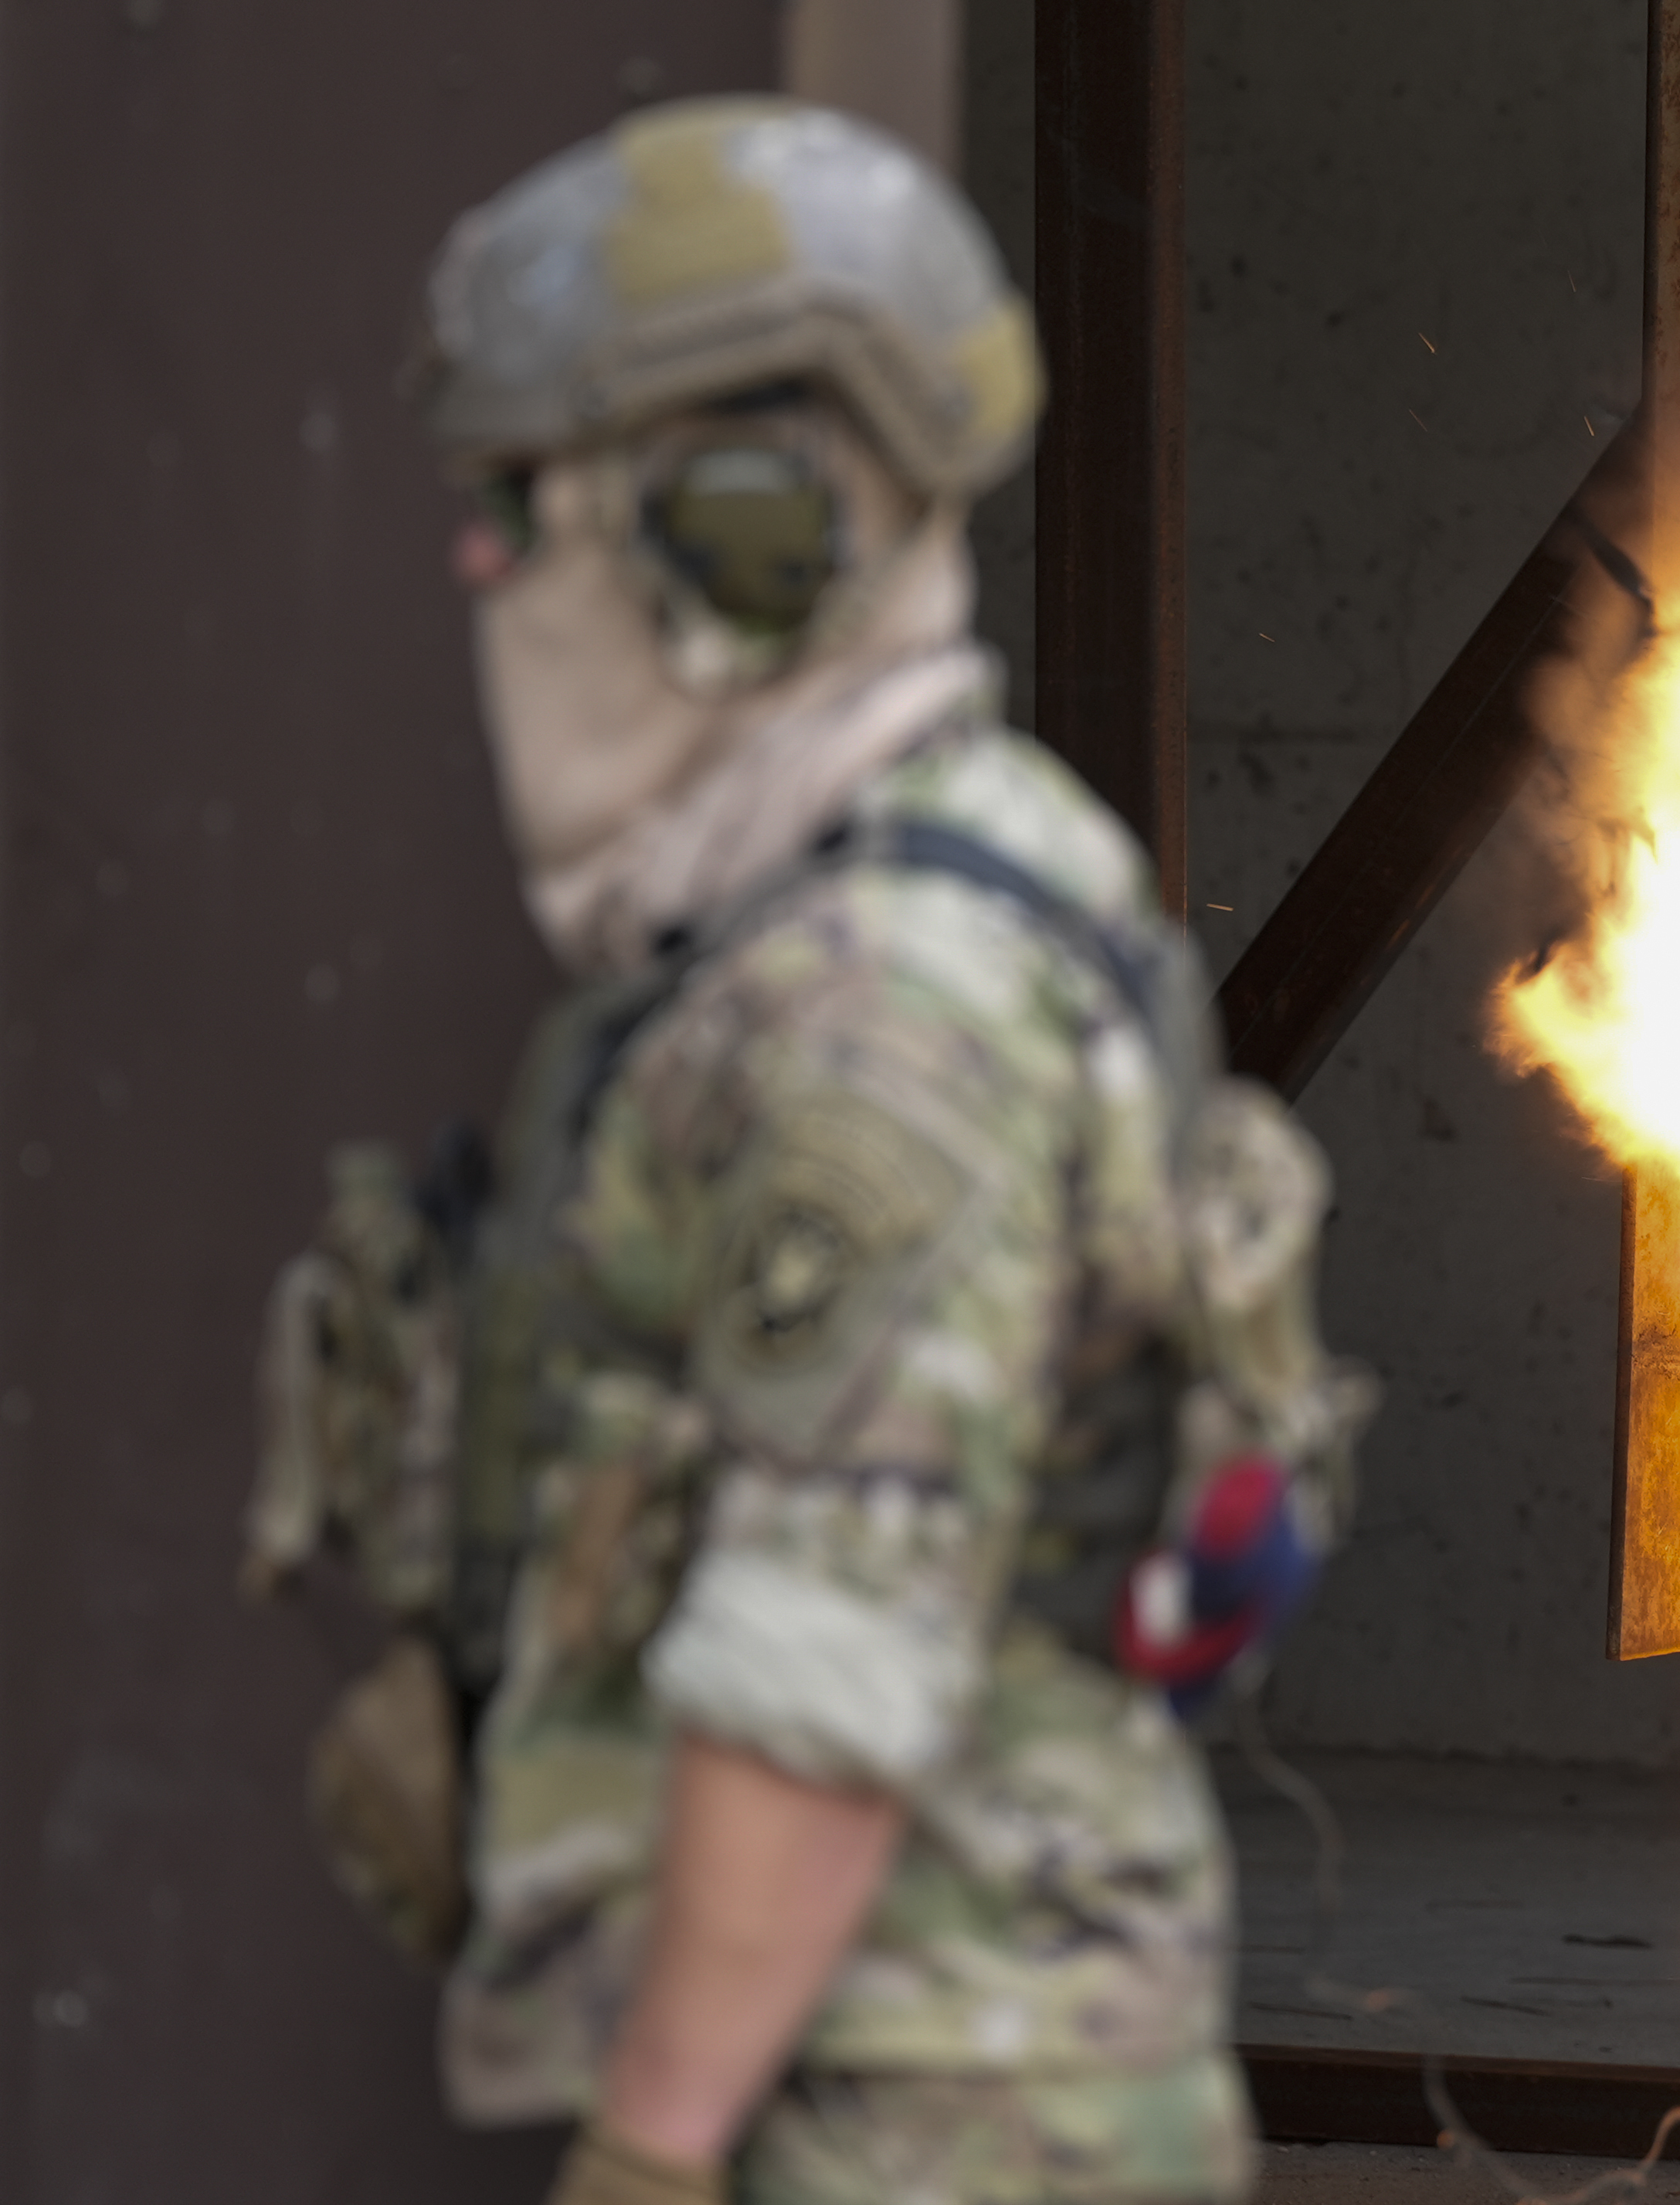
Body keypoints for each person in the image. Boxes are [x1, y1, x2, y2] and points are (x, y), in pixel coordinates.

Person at [243, 97, 1368, 2205]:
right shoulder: (895, 909)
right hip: (897, 2080)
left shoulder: (882, 1013)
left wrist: (650, 2149)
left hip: (924, 2117)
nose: (479, 568)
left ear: (737, 546)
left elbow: (827, 1672)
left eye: (525, 506)